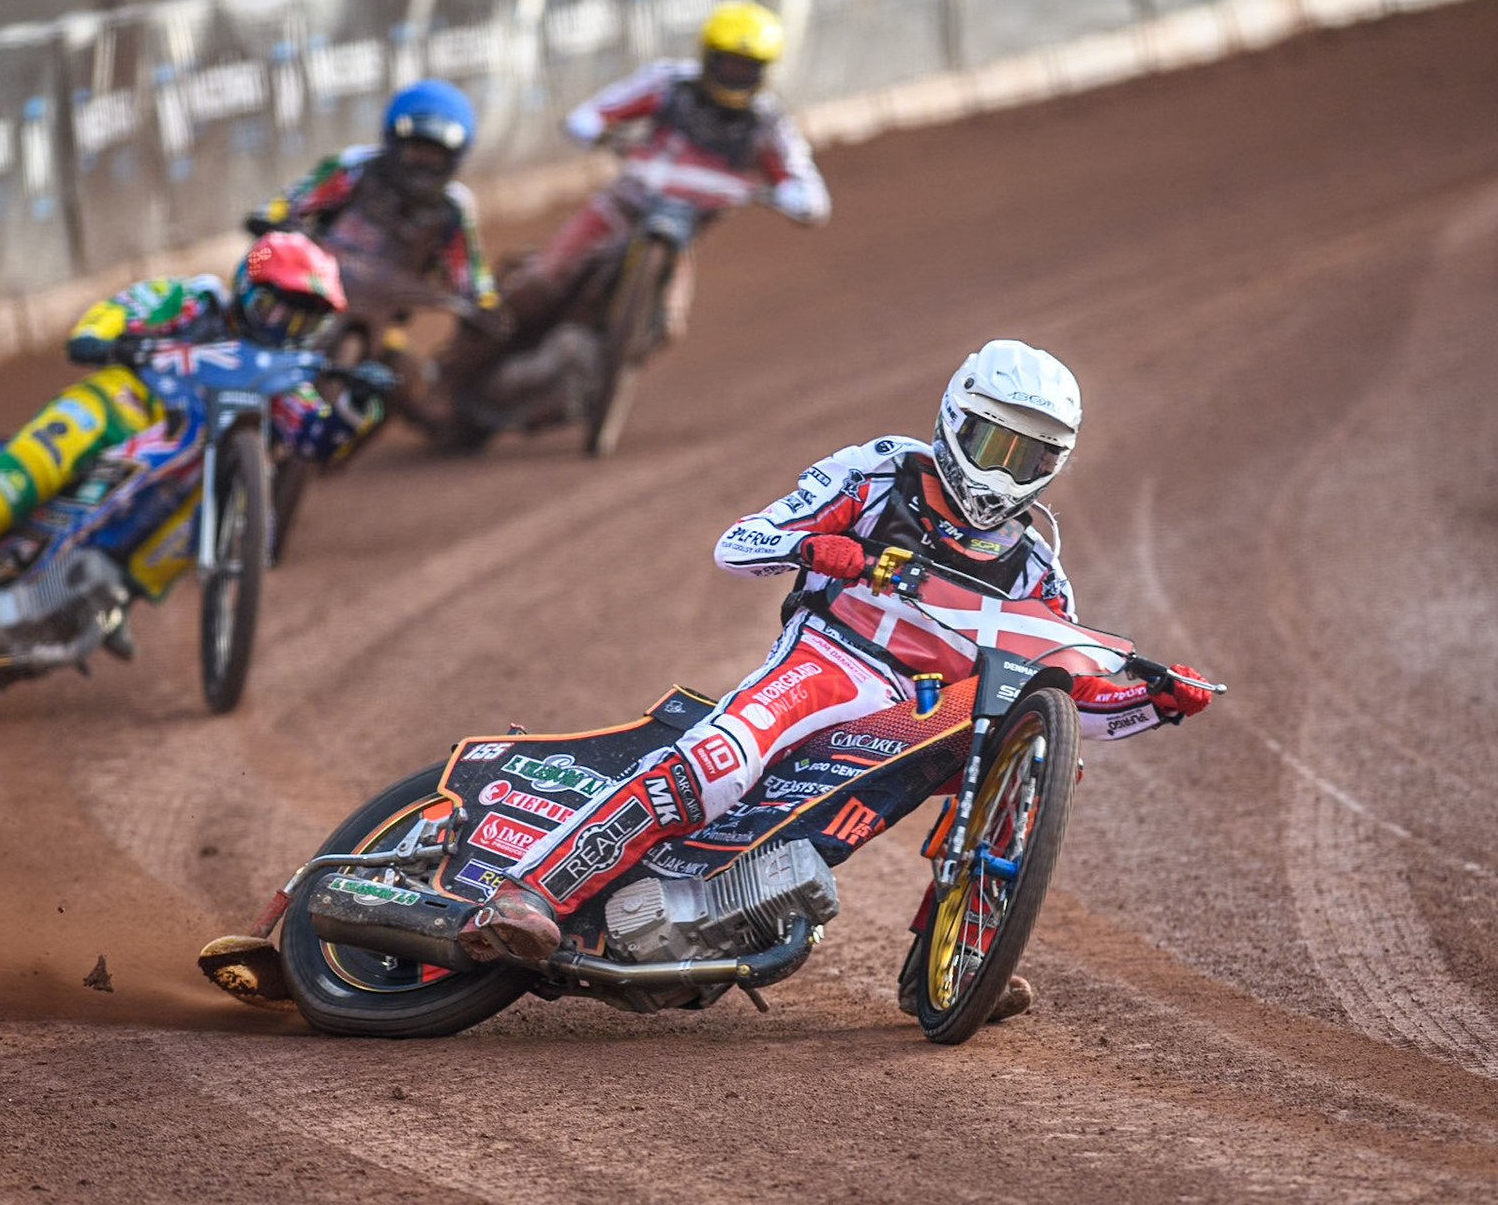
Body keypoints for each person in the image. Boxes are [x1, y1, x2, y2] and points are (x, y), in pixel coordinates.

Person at [456, 340, 1215, 1022]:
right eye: (993, 443)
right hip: (829, 657)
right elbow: (741, 544)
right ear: (956, 418)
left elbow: (1070, 702)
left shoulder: (1041, 574)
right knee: (724, 759)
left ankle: (961, 956)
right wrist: (829, 551)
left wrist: (1153, 700)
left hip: (921, 707)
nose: (1002, 471)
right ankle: (531, 890)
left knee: (1047, 758)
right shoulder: (881, 471)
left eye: (1030, 459)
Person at [0, 232, 385, 664]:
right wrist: (101, 335)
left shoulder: (287, 377)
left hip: (184, 458)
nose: (283, 330)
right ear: (247, 289)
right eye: (276, 312)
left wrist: (364, 404)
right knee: (11, 484)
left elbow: (320, 441)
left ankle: (106, 600)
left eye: (301, 321)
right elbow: (120, 309)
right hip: (124, 405)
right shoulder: (198, 300)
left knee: (224, 506)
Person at [427, 0, 830, 432]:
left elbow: (807, 186)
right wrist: (594, 126)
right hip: (621, 206)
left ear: (764, 71)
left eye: (746, 67)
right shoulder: (668, 83)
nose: (735, 74)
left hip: (680, 232)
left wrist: (794, 196)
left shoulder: (769, 123)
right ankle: (448, 373)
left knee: (668, 328)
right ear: (707, 56)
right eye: (727, 63)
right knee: (542, 278)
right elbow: (595, 112)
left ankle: (583, 391)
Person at [245, 78, 502, 336]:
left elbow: (474, 280)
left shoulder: (454, 208)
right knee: (254, 298)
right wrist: (275, 224)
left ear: (454, 157)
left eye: (435, 155)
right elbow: (282, 207)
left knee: (405, 372)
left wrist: (486, 306)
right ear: (393, 141)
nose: (423, 163)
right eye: (416, 150)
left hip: (382, 320)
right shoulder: (353, 167)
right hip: (309, 294)